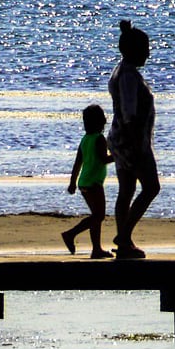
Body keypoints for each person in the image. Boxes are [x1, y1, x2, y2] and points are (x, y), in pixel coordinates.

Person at [106, 19, 160, 259]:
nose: (148, 54)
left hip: (120, 139)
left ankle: (125, 244)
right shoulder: (128, 76)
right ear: (134, 50)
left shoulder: (122, 70)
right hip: (131, 141)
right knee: (151, 187)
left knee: (126, 190)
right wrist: (137, 147)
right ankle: (124, 235)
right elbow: (130, 114)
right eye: (145, 49)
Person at [62, 104, 115, 259]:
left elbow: (77, 163)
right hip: (94, 183)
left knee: (95, 216)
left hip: (84, 182)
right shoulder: (99, 139)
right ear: (101, 121)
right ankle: (71, 234)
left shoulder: (85, 139)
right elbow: (104, 159)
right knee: (99, 216)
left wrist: (73, 182)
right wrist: (118, 155)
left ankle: (96, 249)